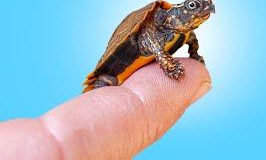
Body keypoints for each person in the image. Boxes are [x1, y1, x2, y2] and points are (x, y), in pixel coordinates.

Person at [0, 59, 211, 159]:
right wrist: (169, 65)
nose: (204, 9)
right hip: (111, 73)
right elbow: (150, 43)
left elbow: (190, 39)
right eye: (193, 6)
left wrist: (194, 51)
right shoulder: (157, 27)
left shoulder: (182, 33)